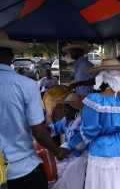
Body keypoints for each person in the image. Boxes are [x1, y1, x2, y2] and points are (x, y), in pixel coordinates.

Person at [0, 30, 70, 189]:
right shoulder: (27, 85)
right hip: (22, 170)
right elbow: (38, 132)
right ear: (11, 56)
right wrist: (58, 152)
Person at [75, 58, 120, 189]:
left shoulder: (94, 101)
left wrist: (81, 109)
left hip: (103, 150)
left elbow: (89, 131)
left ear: (102, 77)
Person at [47, 99, 89, 189]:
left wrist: (67, 152)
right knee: (51, 166)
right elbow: (55, 128)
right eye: (63, 108)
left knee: (68, 174)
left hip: (82, 158)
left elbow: (84, 145)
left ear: (76, 109)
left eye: (66, 108)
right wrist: (42, 130)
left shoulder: (83, 124)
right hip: (69, 155)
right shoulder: (67, 121)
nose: (63, 111)